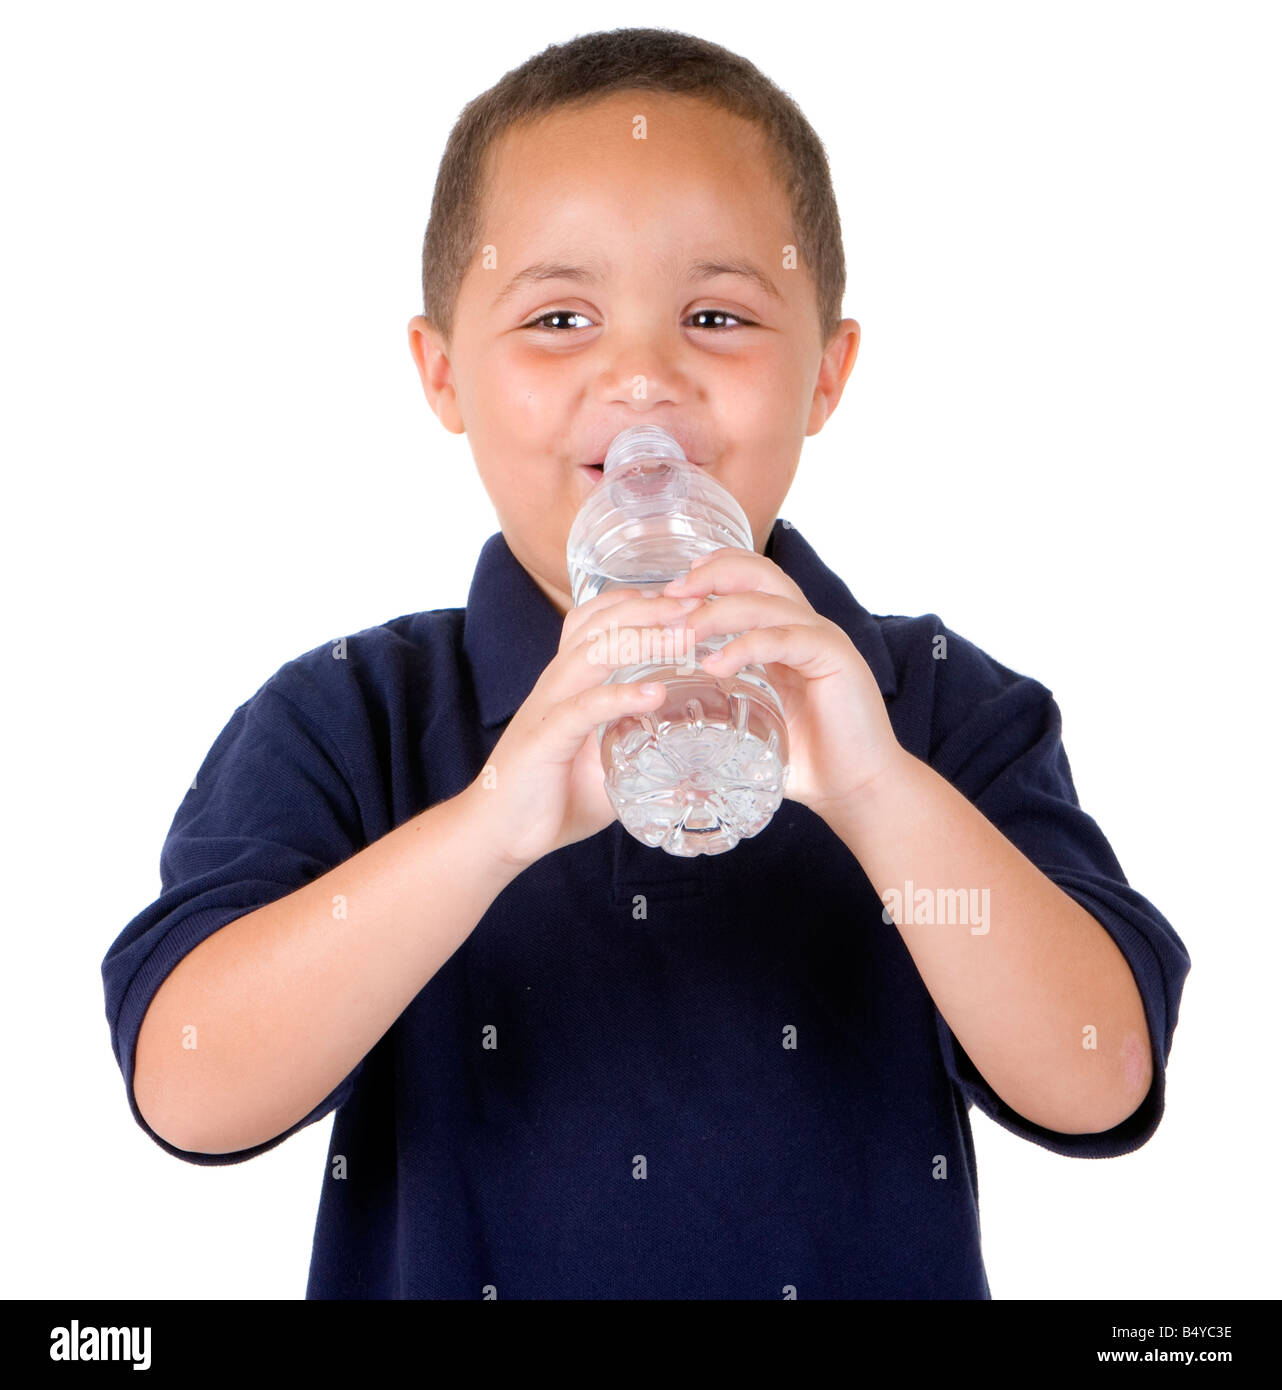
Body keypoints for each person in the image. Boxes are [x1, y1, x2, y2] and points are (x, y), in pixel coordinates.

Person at [101, 27, 1191, 1299]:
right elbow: (186, 1085)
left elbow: (1095, 1065)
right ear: (444, 373)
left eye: (716, 316)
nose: (640, 378)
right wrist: (488, 828)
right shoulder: (350, 714)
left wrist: (878, 792)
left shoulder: (937, 701)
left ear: (826, 374)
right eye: (558, 318)